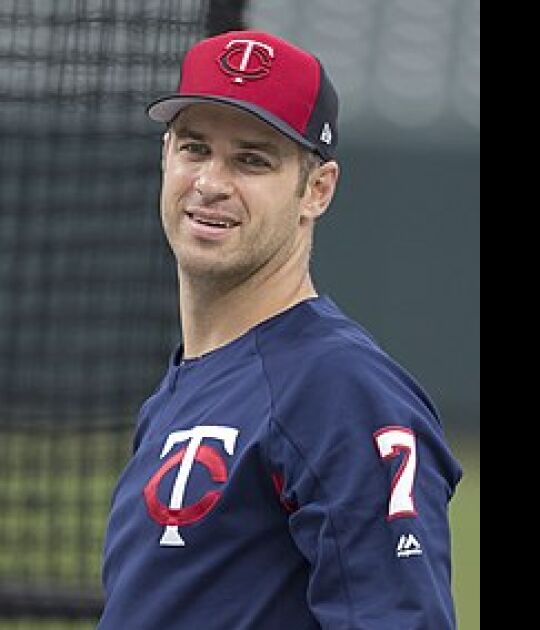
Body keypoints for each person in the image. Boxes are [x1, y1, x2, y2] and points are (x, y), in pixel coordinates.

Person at [98, 29, 461, 629]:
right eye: (194, 148)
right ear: (165, 156)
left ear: (316, 190)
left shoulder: (338, 387)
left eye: (252, 159)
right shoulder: (181, 389)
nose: (211, 183)